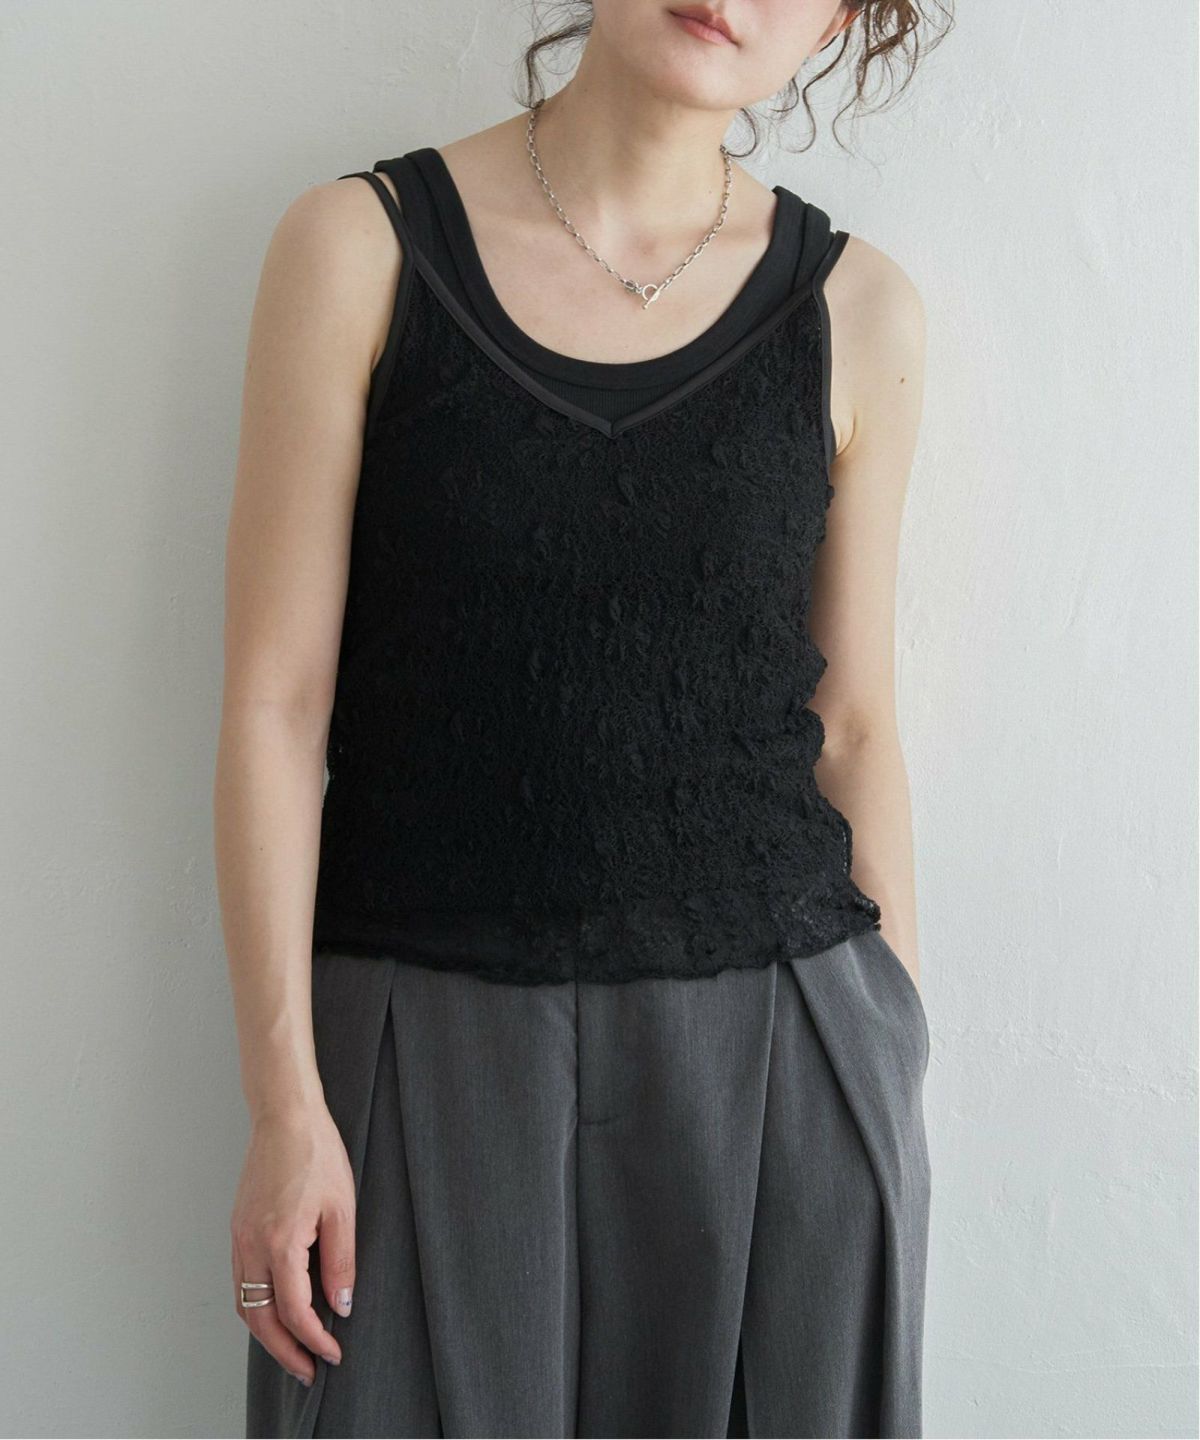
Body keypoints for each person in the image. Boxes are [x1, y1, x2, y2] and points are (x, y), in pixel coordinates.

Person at [214, 2, 952, 1435]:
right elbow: (275, 704)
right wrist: (285, 1102)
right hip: (415, 1044)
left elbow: (856, 725)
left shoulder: (859, 311)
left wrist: (893, 1074)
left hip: (779, 1059)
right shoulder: (357, 249)